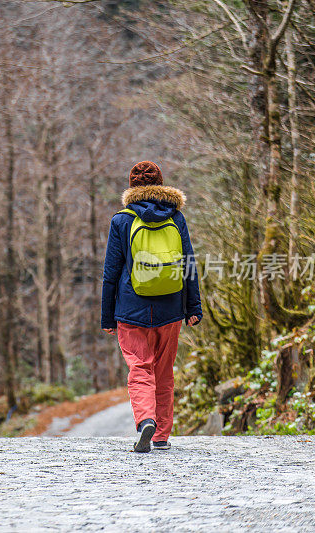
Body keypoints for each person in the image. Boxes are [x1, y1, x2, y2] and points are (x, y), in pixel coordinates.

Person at [100, 161, 202, 453]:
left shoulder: (121, 220)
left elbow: (111, 272)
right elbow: (188, 263)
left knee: (140, 368)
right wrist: (193, 307)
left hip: (131, 309)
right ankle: (161, 435)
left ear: (132, 187)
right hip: (171, 308)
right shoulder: (176, 217)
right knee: (164, 371)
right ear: (161, 184)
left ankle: (145, 419)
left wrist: (108, 317)